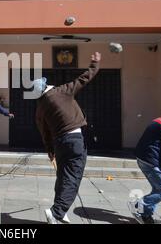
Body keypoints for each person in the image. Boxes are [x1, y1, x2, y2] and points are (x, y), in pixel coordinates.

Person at [34, 52, 101, 224]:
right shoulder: (61, 91)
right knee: (73, 177)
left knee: (63, 176)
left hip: (59, 143)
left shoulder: (40, 108)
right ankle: (56, 212)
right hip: (74, 140)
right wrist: (95, 63)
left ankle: (60, 211)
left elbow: (44, 132)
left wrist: (50, 151)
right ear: (48, 85)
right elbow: (83, 79)